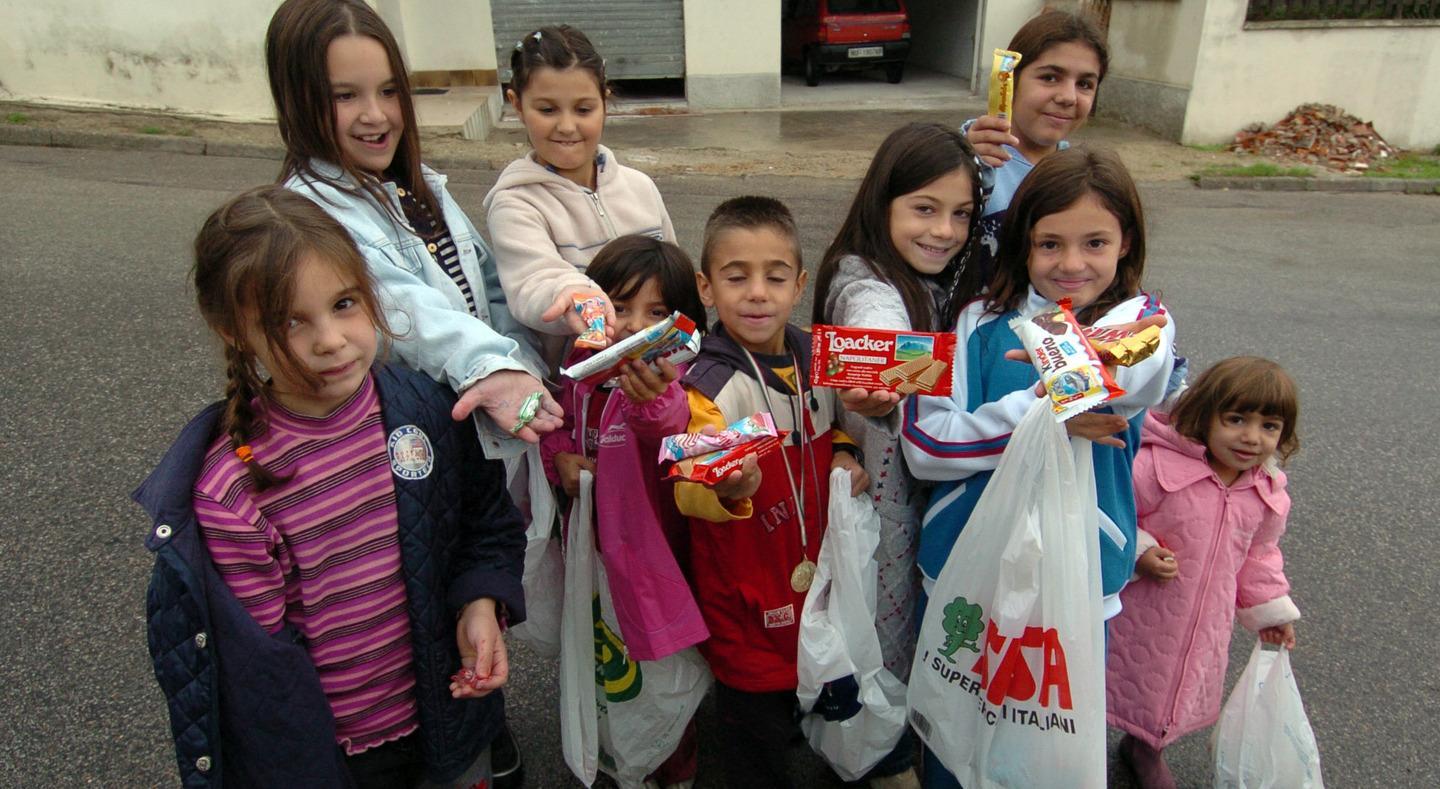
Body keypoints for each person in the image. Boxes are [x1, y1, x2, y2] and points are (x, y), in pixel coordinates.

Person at [138, 186, 526, 788]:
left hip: (448, 714)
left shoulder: (419, 408)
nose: (330, 339)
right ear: (233, 329)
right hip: (338, 758)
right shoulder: (234, 486)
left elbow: (483, 520)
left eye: (344, 303)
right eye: (291, 321)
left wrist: (480, 601)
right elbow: (263, 674)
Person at [902, 147, 1176, 789]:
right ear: (1022, 243)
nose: (1072, 264)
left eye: (1095, 243)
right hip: (965, 566)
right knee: (954, 730)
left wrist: (1070, 373)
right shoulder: (970, 322)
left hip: (1078, 580)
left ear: (1126, 242)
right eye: (1050, 243)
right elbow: (925, 446)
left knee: (1044, 748)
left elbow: (1133, 368)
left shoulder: (1139, 324)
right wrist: (1038, 411)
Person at [265, 0, 560, 464]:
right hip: (419, 448)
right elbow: (402, 309)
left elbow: (489, 288)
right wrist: (489, 366)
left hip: (496, 424)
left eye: (388, 91)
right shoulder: (310, 214)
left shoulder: (415, 184)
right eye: (345, 96)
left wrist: (524, 369)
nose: (376, 115)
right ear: (296, 99)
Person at [674, 196, 883, 789]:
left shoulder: (816, 356)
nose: (757, 293)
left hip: (816, 568)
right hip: (746, 583)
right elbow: (689, 485)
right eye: (736, 277)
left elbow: (838, 422)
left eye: (775, 276)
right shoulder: (707, 385)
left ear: (800, 284)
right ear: (707, 288)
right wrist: (726, 487)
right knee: (753, 725)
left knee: (818, 687)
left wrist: (845, 447)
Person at [811, 122, 988, 789]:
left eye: (961, 213)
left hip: (920, 501)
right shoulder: (867, 282)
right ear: (882, 201)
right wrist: (881, 371)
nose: (944, 229)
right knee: (875, 634)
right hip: (876, 507)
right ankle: (873, 758)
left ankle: (892, 735)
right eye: (924, 208)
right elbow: (871, 321)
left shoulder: (941, 277)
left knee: (907, 627)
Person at [540, 234, 710, 788]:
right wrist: (561, 455)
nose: (635, 325)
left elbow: (666, 428)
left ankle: (674, 768)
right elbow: (555, 423)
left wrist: (651, 395)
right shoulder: (580, 368)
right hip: (589, 551)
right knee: (608, 662)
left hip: (650, 556)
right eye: (620, 307)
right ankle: (617, 754)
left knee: (664, 672)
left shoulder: (672, 380)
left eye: (656, 313)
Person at [1106, 357, 1302, 789]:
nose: (1251, 438)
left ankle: (1146, 749)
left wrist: (1272, 614)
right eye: (1236, 420)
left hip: (1202, 622)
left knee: (1172, 690)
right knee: (1106, 679)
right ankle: (1073, 748)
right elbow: (1113, 513)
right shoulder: (1156, 466)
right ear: (1204, 413)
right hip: (1136, 609)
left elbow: (1261, 555)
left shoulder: (1266, 495)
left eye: (1270, 426)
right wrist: (1140, 551)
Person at [484, 24, 676, 371]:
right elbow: (533, 280)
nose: (567, 126)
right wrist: (574, 294)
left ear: (605, 100)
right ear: (516, 104)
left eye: (583, 109)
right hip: (577, 396)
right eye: (547, 110)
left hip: (654, 379)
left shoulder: (641, 187)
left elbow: (674, 281)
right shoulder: (515, 204)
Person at [963, 10, 1108, 281]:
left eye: (1085, 84)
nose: (1068, 97)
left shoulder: (1087, 175)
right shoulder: (971, 156)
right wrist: (957, 163)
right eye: (1050, 77)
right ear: (1010, 80)